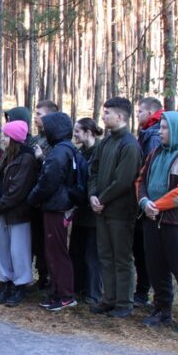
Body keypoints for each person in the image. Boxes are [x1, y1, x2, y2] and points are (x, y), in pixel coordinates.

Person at [136, 111, 178, 334]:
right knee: (156, 267)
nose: (160, 131)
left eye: (164, 128)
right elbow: (140, 180)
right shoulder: (155, 152)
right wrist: (145, 202)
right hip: (152, 219)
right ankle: (161, 308)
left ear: (176, 130)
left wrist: (157, 206)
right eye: (160, 127)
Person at [89, 97, 144, 318]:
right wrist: (92, 195)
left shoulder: (129, 145)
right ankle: (108, 298)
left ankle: (124, 302)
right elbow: (93, 171)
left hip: (121, 212)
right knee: (105, 255)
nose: (103, 117)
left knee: (121, 257)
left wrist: (101, 199)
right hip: (101, 210)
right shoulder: (106, 143)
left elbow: (124, 180)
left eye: (107, 113)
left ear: (120, 116)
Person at [0, 120, 39, 306]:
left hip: (17, 214)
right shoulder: (6, 157)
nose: (2, 138)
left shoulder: (27, 159)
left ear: (14, 138)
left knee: (18, 250)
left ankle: (20, 285)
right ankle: (5, 282)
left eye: (6, 136)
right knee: (2, 249)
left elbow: (18, 190)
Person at [26, 112, 78, 311]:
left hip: (56, 207)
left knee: (57, 253)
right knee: (53, 252)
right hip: (57, 205)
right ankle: (57, 292)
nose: (44, 131)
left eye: (47, 127)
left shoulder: (59, 153)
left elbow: (48, 182)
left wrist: (32, 198)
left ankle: (65, 295)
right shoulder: (63, 149)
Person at [132, 96, 164, 308]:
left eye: (140, 112)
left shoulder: (153, 137)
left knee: (145, 251)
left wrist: (146, 202)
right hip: (143, 202)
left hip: (149, 206)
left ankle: (144, 292)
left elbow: (148, 172)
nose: (138, 115)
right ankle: (143, 291)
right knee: (141, 250)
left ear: (151, 113)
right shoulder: (146, 133)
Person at [70, 118, 103, 305]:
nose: (74, 135)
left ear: (88, 133)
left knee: (92, 255)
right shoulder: (80, 152)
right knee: (76, 251)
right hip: (80, 210)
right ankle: (78, 288)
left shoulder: (99, 152)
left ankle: (94, 294)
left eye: (77, 131)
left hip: (94, 211)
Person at [29, 99, 60, 291]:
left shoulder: (54, 141)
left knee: (50, 243)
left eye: (39, 114)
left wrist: (42, 158)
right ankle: (41, 276)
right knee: (37, 241)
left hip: (48, 200)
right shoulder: (35, 139)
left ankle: (51, 279)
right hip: (34, 198)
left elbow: (55, 170)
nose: (35, 118)